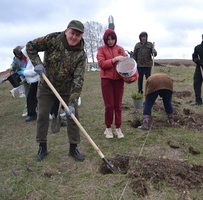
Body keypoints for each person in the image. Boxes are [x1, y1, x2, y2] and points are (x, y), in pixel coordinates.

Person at [26, 20, 87, 161]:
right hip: (47, 86)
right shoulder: (53, 39)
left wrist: (72, 102)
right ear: (67, 31)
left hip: (66, 89)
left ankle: (73, 148)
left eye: (78, 35)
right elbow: (31, 46)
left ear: (81, 36)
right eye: (72, 33)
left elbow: (78, 79)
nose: (74, 37)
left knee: (73, 117)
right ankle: (42, 147)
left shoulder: (81, 55)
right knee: (42, 115)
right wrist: (38, 64)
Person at [96, 28, 128, 139]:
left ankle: (118, 128)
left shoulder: (120, 49)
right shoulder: (101, 49)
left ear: (115, 39)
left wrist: (126, 61)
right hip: (106, 80)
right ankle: (108, 128)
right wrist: (114, 60)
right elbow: (101, 64)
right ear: (105, 39)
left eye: (112, 39)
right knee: (109, 106)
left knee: (118, 105)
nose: (110, 41)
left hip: (119, 80)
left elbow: (126, 63)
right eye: (108, 39)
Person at [22, 47, 40, 122]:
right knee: (32, 98)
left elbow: (35, 71)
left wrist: (24, 72)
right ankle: (32, 114)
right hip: (33, 81)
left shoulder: (34, 59)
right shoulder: (30, 60)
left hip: (36, 81)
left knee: (31, 98)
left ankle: (32, 114)